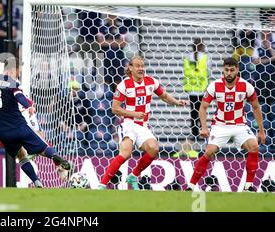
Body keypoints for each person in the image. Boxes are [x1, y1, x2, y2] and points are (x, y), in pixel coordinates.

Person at [0, 57, 72, 187]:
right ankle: (55, 158)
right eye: (18, 71)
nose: (18, 73)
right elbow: (19, 96)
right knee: (43, 147)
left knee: (21, 157)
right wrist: (28, 106)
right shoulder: (12, 83)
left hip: (3, 132)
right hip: (19, 126)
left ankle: (37, 182)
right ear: (12, 70)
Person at [98, 56, 188, 190]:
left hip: (143, 126)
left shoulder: (151, 82)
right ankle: (102, 184)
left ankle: (133, 176)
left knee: (154, 149)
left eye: (142, 66)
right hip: (128, 124)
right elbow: (115, 109)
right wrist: (134, 114)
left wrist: (177, 102)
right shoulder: (124, 85)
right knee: (126, 154)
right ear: (130, 68)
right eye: (137, 66)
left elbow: (164, 96)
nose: (141, 69)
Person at [187, 58, 266, 192]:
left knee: (254, 146)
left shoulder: (246, 86)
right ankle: (191, 185)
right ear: (223, 70)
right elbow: (203, 107)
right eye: (226, 70)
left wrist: (261, 131)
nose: (229, 73)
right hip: (220, 125)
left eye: (232, 70)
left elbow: (256, 107)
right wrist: (204, 127)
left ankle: (248, 186)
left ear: (237, 70)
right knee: (209, 151)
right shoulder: (214, 86)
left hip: (240, 125)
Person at [179, 38, 209, 158]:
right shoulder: (206, 57)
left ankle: (195, 133)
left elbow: (185, 72)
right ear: (202, 46)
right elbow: (209, 71)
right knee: (202, 110)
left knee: (193, 111)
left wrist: (186, 85)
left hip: (191, 88)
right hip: (201, 88)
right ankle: (202, 131)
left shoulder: (187, 57)